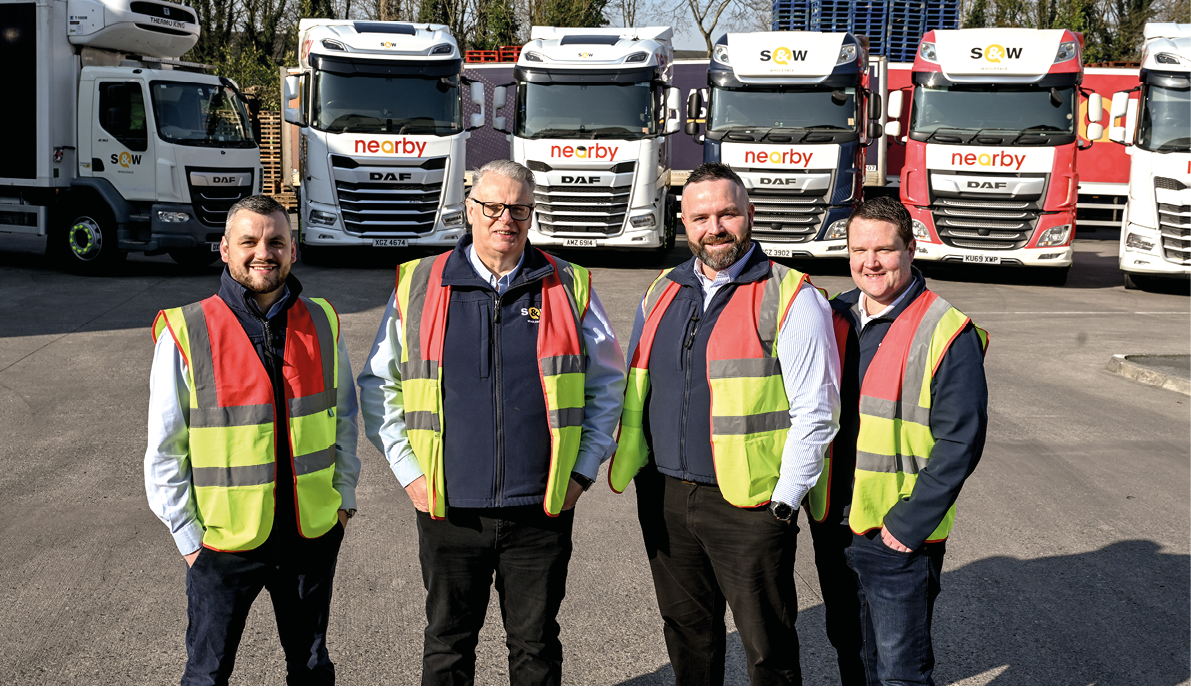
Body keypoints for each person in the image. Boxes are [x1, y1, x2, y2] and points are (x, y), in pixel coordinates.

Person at [357, 159, 626, 685]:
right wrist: (409, 473)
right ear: (470, 209)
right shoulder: (420, 283)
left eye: (519, 209)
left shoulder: (568, 284)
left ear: (532, 214)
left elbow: (606, 386)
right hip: (449, 509)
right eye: (493, 207)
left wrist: (581, 472)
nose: (506, 219)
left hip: (540, 510)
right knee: (448, 645)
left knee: (535, 646)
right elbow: (380, 384)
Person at [607, 162, 840, 685]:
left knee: (767, 645)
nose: (715, 228)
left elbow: (817, 410)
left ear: (749, 214)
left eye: (727, 214)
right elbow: (637, 384)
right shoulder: (662, 290)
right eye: (700, 218)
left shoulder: (791, 296)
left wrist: (784, 502)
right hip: (665, 493)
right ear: (683, 223)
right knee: (687, 635)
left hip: (750, 505)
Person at [145, 195, 360, 685]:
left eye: (276, 241)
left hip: (309, 536)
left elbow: (344, 420)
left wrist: (343, 503)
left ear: (293, 250)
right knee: (207, 673)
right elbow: (165, 448)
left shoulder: (322, 320)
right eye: (249, 242)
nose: (264, 252)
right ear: (225, 249)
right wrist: (190, 541)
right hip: (223, 544)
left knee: (311, 669)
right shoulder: (187, 329)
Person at [829, 196, 988, 685]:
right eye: (859, 250)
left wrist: (908, 527)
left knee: (900, 670)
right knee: (850, 653)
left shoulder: (947, 330)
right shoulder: (834, 315)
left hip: (896, 533)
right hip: (835, 523)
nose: (870, 262)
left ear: (911, 249)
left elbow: (961, 442)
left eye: (884, 249)